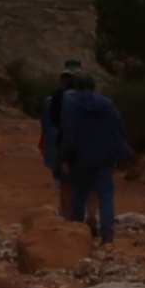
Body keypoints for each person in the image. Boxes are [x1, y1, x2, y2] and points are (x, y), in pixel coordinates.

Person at [37, 60, 131, 246]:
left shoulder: (72, 104)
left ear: (77, 87)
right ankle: (107, 232)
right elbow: (118, 128)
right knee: (105, 194)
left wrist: (66, 157)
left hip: (81, 158)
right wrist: (123, 154)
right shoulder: (107, 103)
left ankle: (79, 232)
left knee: (78, 194)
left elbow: (69, 133)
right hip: (105, 157)